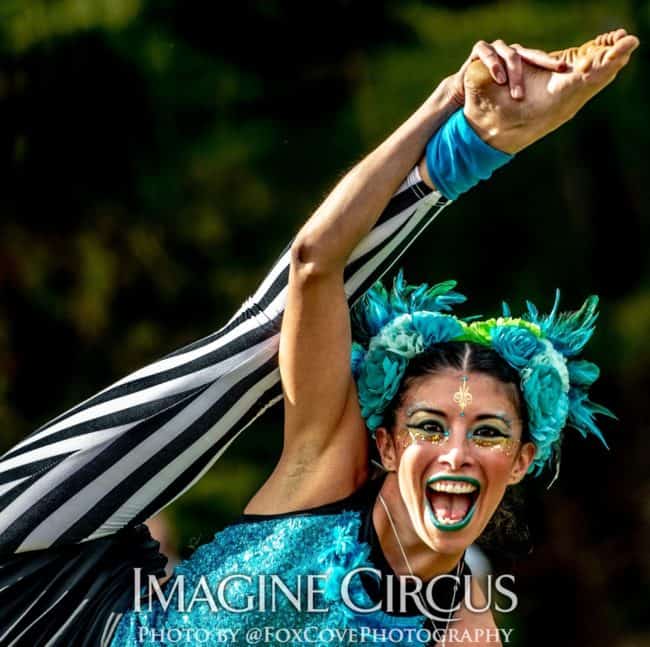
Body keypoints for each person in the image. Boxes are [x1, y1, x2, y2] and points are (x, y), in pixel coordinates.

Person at [0, 30, 638, 647]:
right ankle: (468, 149)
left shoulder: (464, 625)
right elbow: (314, 263)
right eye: (429, 426)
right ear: (385, 445)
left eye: (489, 433)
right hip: (33, 568)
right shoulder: (326, 479)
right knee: (257, 351)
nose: (456, 454)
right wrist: (452, 112)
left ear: (522, 461)